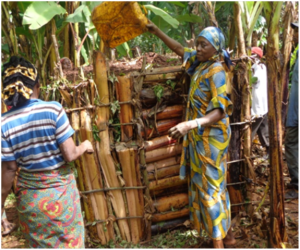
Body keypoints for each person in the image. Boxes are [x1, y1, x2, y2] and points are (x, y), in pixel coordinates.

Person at [147, 23, 235, 249]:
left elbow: (220, 110)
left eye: (203, 45)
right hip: (200, 136)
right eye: (197, 43)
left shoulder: (217, 71)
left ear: (216, 47)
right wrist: (156, 30)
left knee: (210, 190)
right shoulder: (200, 64)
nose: (198, 48)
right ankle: (229, 237)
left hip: (211, 138)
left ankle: (219, 245)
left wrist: (191, 124)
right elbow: (178, 48)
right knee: (214, 186)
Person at [1, 56, 94, 249]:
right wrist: (84, 145)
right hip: (61, 196)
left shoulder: (3, 123)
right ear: (37, 85)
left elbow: (10, 169)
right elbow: (70, 154)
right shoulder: (53, 109)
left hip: (30, 201)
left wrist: (1, 204)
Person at [285, 22, 299, 199]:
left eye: (297, 32)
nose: (294, 35)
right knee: (292, 144)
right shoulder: (296, 53)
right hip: (294, 111)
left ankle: (297, 185)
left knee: (291, 144)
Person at [250, 47, 270, 159]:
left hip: (257, 106)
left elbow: (254, 80)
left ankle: (246, 151)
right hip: (263, 105)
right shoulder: (263, 67)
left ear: (256, 57)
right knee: (263, 129)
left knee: (251, 129)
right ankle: (269, 150)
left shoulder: (256, 67)